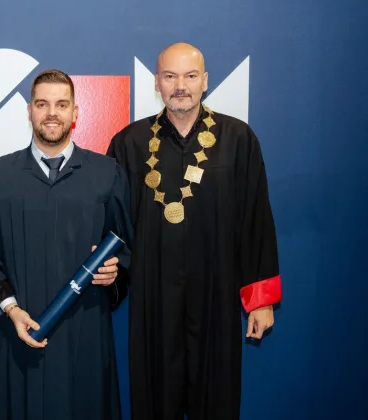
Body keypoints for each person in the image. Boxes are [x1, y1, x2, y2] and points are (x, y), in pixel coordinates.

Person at [106, 43, 282, 420]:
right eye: (170, 76)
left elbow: (255, 221)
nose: (180, 86)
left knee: (216, 398)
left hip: (217, 292)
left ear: (205, 81)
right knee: (154, 398)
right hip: (153, 297)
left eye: (189, 76)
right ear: (157, 83)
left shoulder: (238, 139)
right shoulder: (130, 143)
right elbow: (113, 225)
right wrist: (112, 278)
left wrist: (261, 300)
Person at [0, 69, 134, 420]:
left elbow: (127, 251)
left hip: (85, 335)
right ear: (29, 111)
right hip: (18, 333)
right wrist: (11, 310)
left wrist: (114, 273)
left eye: (61, 104)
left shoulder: (107, 174)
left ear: (75, 113)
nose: (51, 113)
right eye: (42, 104)